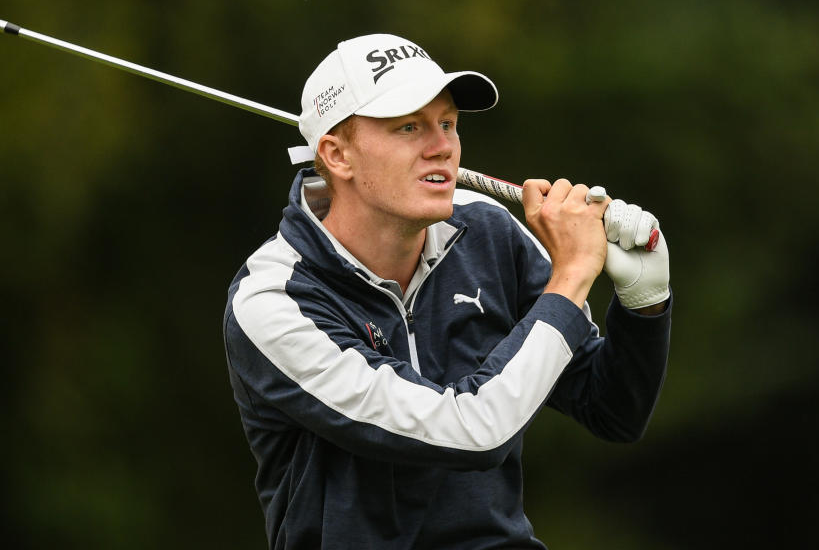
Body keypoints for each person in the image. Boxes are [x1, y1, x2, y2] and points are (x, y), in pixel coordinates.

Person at [223, 33, 671, 549]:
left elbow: (612, 408)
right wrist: (569, 277)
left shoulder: (487, 231)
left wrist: (644, 303)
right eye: (409, 127)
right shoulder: (276, 301)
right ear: (337, 155)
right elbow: (469, 430)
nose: (441, 146)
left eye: (448, 123)